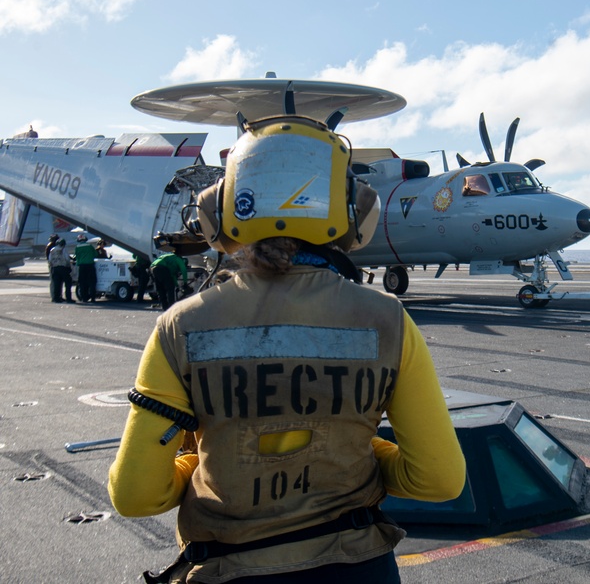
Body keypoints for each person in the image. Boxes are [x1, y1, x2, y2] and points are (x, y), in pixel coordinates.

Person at [108, 114, 465, 584]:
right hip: (357, 569)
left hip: (228, 569)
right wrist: (355, 444)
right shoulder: (387, 319)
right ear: (354, 213)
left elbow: (135, 495)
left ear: (218, 212)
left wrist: (200, 459)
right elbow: (439, 479)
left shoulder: (182, 325)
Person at [47, 238, 74, 303]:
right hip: (63, 268)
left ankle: (56, 298)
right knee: (68, 283)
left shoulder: (52, 250)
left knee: (56, 284)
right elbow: (67, 259)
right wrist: (69, 267)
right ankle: (68, 298)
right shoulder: (63, 250)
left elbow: (50, 260)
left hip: (54, 268)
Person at [74, 234, 98, 303]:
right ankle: (93, 298)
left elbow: (76, 257)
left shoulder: (77, 247)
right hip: (90, 265)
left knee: (82, 283)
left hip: (82, 266)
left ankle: (84, 298)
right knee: (92, 282)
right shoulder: (89, 246)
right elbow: (95, 254)